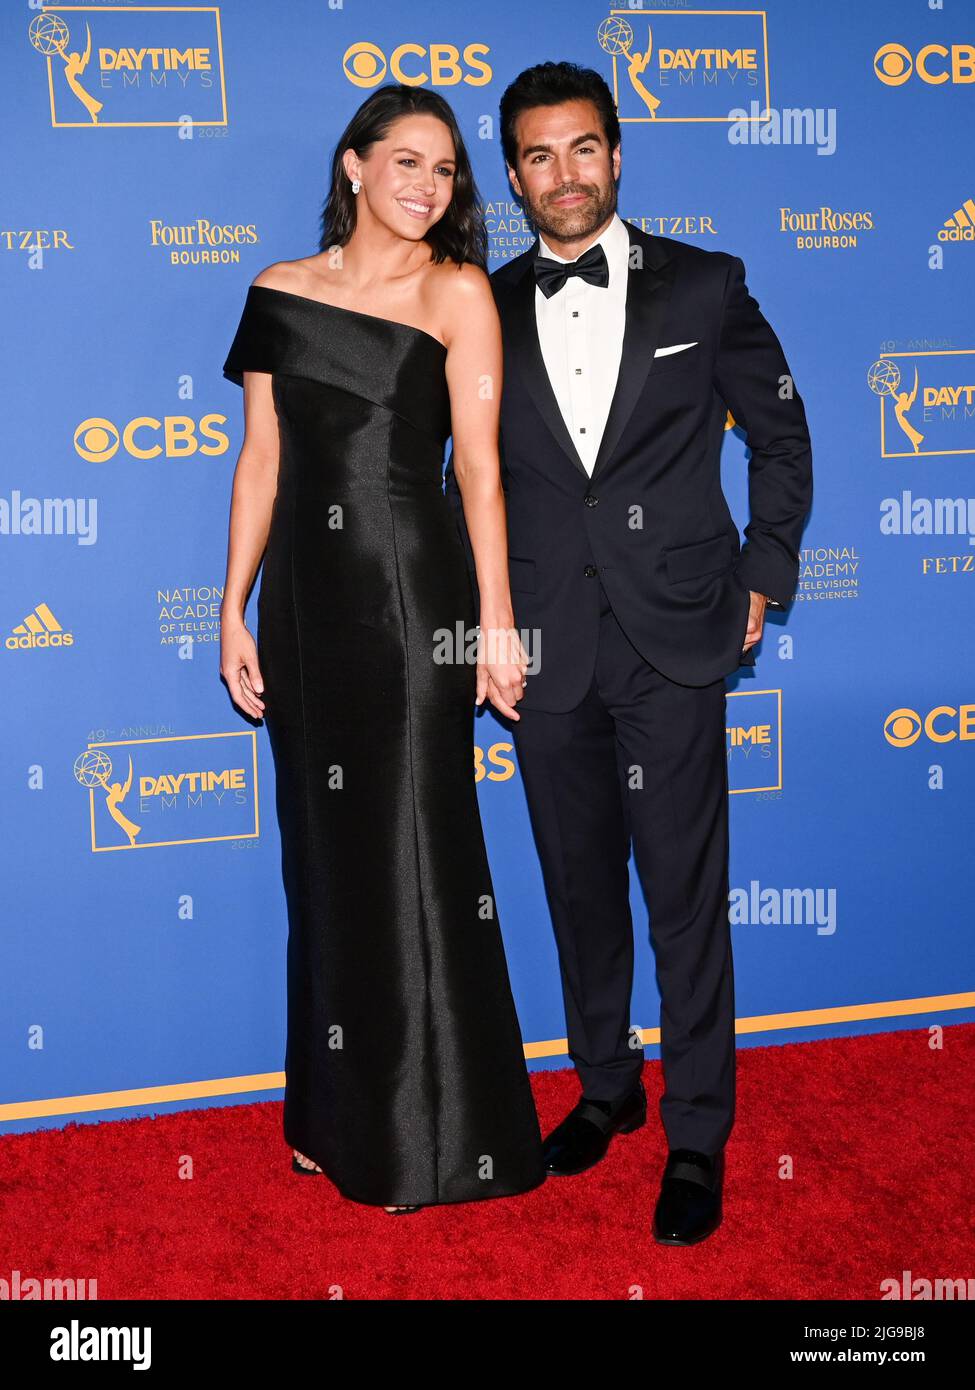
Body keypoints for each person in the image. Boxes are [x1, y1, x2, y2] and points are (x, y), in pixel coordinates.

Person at [445, 61, 813, 1244]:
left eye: (583, 148)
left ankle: (698, 1131)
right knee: (577, 891)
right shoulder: (483, 306)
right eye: (539, 156)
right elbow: (465, 481)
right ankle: (607, 1085)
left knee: (685, 901)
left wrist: (766, 568)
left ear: (618, 152)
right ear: (512, 175)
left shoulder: (705, 286)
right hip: (543, 652)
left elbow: (783, 428)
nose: (565, 173)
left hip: (676, 642)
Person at [219, 83, 545, 1214]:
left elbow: (482, 475)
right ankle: (332, 1114)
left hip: (415, 601)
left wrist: (495, 624)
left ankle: (428, 1138)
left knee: (415, 850)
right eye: (406, 161)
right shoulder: (279, 289)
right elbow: (260, 462)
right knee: (325, 858)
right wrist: (231, 606)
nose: (426, 186)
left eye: (446, 170)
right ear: (353, 166)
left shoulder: (459, 296)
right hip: (305, 613)